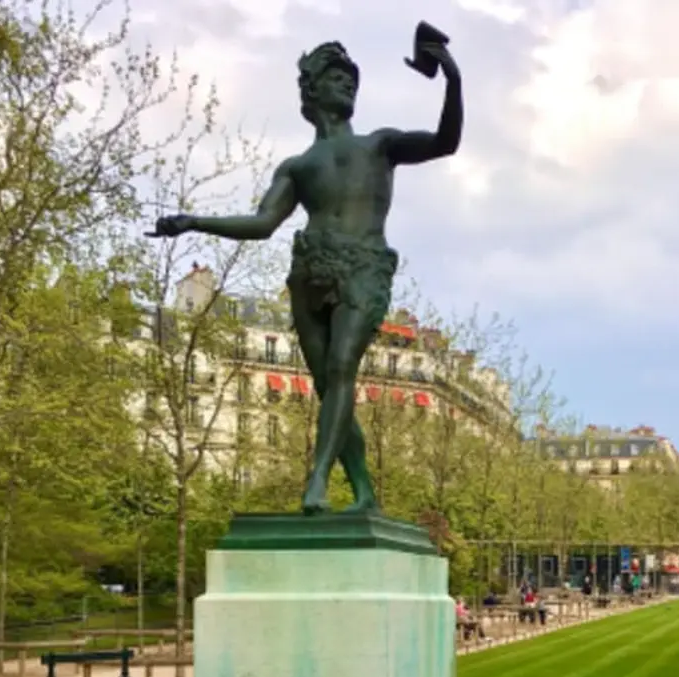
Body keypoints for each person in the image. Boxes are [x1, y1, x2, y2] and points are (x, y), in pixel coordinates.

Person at [147, 39, 463, 515]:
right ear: (312, 91)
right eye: (337, 78)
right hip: (308, 273)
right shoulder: (296, 166)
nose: (348, 86)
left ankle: (316, 482)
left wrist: (453, 79)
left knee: (340, 370)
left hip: (363, 267)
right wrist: (193, 221)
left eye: (352, 80)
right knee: (327, 385)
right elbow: (261, 224)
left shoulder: (379, 145)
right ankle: (364, 493)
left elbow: (445, 141)